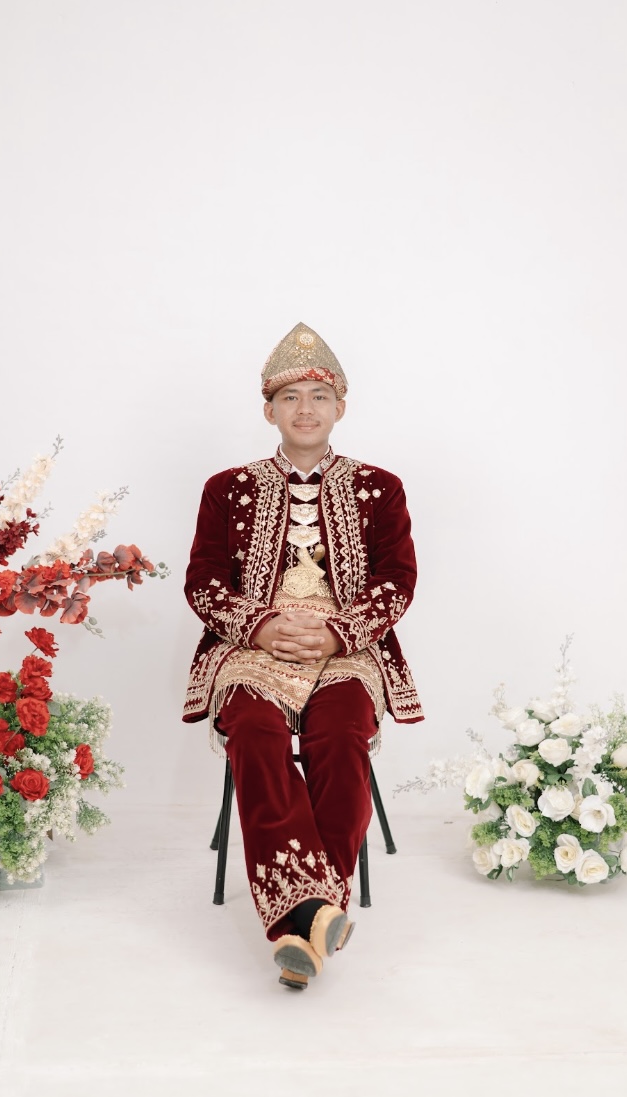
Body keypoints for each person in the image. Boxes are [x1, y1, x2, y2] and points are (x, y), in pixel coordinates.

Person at [183, 322, 423, 989]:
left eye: (319, 396)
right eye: (290, 397)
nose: (306, 409)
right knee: (256, 732)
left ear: (341, 406)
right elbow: (203, 582)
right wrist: (259, 628)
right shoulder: (226, 487)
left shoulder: (382, 487)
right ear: (269, 411)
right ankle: (318, 915)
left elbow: (396, 581)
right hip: (252, 649)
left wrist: (339, 633)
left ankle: (298, 925)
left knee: (341, 736)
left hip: (348, 648)